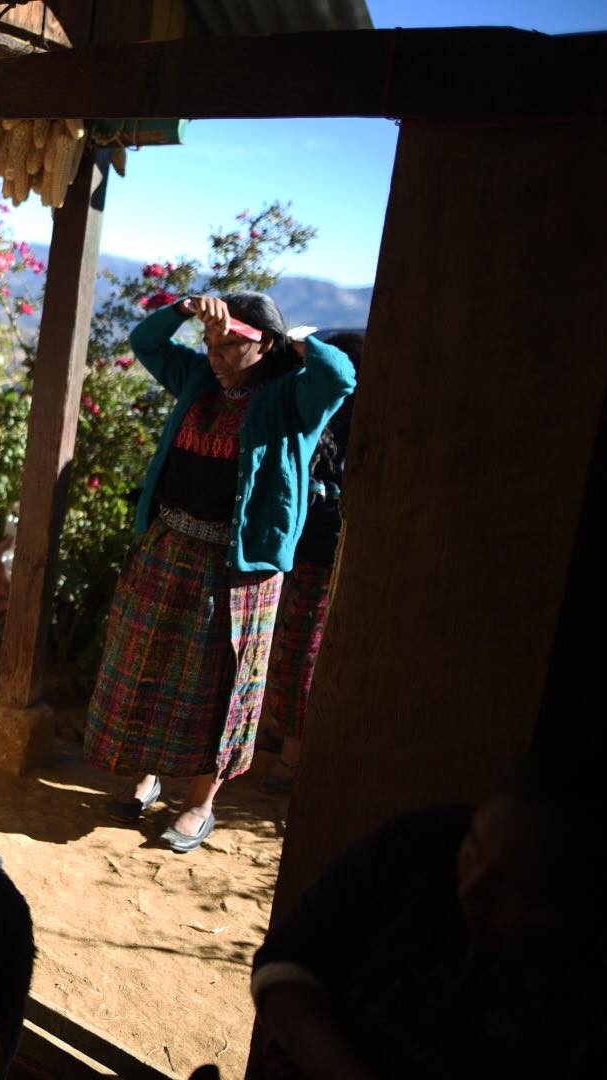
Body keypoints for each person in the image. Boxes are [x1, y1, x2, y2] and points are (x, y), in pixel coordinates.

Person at [83, 293, 356, 852]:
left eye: (232, 343)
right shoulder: (197, 381)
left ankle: (200, 803)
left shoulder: (292, 400)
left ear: (266, 343)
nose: (218, 354)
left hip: (238, 569)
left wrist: (301, 342)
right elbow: (146, 341)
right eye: (212, 343)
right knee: (147, 665)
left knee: (219, 687)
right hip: (171, 545)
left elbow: (341, 376)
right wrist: (187, 309)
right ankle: (147, 776)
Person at [251, 760, 601, 1077]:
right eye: (472, 850)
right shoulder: (422, 846)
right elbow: (287, 961)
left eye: (510, 885)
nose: (471, 889)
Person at [259, 332, 363, 795]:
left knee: (301, 650)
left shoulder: (352, 418)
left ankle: (293, 752)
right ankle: (280, 734)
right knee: (282, 644)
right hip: (292, 545)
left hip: (320, 550)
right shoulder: (317, 412)